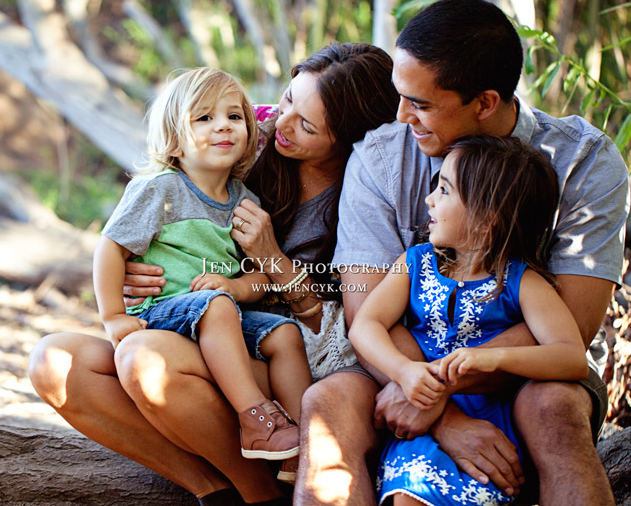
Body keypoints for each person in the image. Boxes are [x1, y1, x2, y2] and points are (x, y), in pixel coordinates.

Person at [28, 43, 399, 506]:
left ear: (346, 138)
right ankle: (218, 490)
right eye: (286, 99)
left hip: (288, 355)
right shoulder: (244, 137)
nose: (277, 124)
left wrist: (268, 257)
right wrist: (134, 278)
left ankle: (273, 475)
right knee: (54, 361)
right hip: (197, 322)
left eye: (306, 125)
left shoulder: (366, 195)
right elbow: (130, 237)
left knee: (145, 357)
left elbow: (337, 333)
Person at [296, 0, 628, 506]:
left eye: (422, 103)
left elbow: (574, 324)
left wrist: (451, 382)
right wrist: (443, 413)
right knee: (327, 404)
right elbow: (368, 312)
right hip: (399, 370)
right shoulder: (380, 158)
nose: (402, 115)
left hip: (526, 375)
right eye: (400, 96)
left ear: (485, 102)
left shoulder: (584, 160)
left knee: (554, 409)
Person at [349, 135, 589, 505]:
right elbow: (365, 325)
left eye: (444, 191)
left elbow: (571, 357)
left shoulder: (521, 281)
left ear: (486, 219)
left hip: (491, 425)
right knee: (410, 493)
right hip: (420, 422)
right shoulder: (415, 263)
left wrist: (495, 358)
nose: (429, 199)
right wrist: (404, 372)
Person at [96, 67, 309, 461]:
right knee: (216, 305)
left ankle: (306, 440)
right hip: (164, 311)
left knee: (285, 336)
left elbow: (258, 275)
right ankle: (257, 422)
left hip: (220, 312)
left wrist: (235, 288)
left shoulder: (245, 199)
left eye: (233, 116)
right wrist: (112, 315)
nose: (223, 127)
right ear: (175, 140)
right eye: (205, 118)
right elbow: (110, 249)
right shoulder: (159, 189)